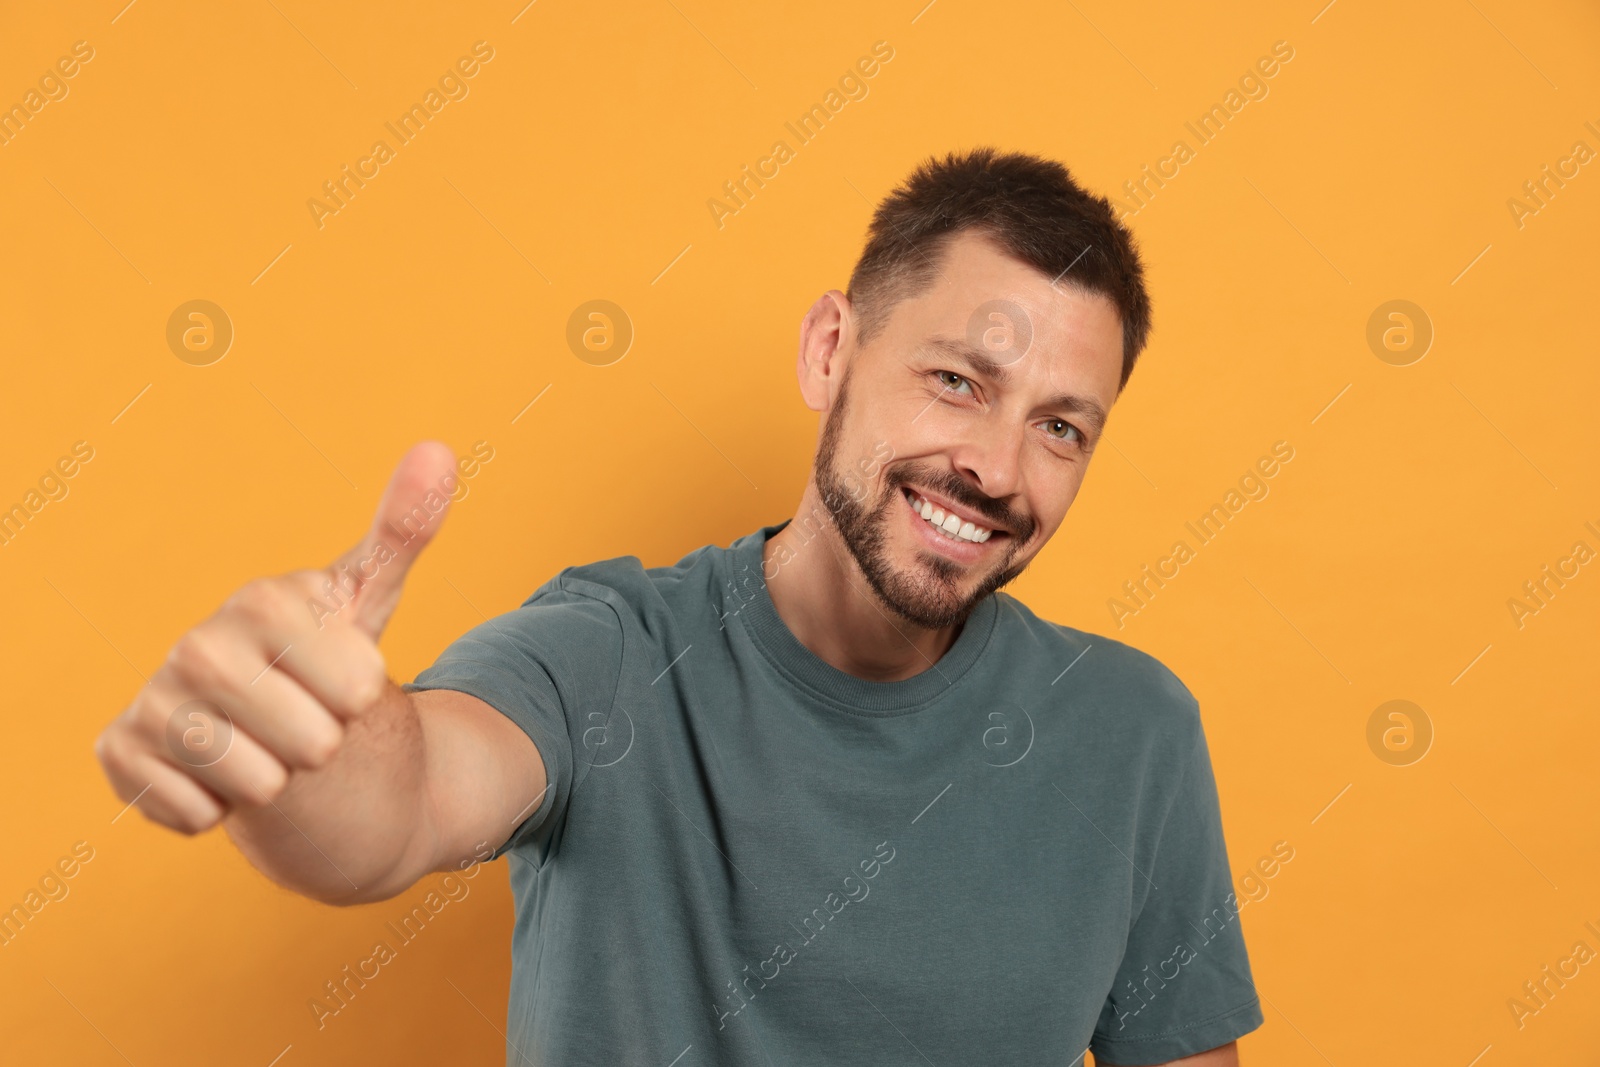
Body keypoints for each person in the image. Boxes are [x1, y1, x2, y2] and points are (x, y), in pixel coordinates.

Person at [96, 147, 1263, 1065]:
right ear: (828, 353)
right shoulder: (609, 651)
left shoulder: (1132, 731)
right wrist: (300, 739)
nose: (998, 469)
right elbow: (395, 811)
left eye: (1060, 425)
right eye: (957, 380)